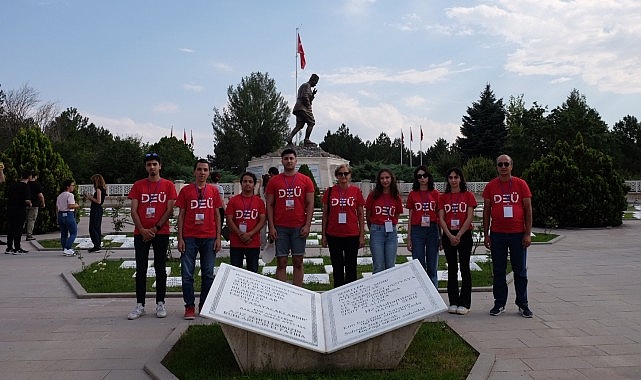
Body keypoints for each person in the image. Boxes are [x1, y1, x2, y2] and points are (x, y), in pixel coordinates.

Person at [127, 153, 177, 320]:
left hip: (160, 232)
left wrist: (155, 228)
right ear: (145, 167)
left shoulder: (168, 185)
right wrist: (142, 229)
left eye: (155, 164)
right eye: (149, 164)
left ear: (160, 166)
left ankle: (160, 303)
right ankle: (140, 305)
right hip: (140, 232)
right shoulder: (138, 185)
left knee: (160, 268)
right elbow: (133, 209)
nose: (152, 167)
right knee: (141, 269)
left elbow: (169, 209)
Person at [483, 154, 533, 318]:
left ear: (511, 166)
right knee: (498, 271)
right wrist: (486, 234)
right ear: (496, 167)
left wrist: (527, 233)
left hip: (517, 234)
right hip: (498, 234)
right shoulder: (491, 186)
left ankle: (523, 304)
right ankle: (499, 303)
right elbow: (486, 211)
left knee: (520, 271)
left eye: (506, 164)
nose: (503, 167)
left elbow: (528, 209)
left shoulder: (521, 184)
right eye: (500, 164)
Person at [176, 159, 222, 320]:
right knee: (187, 274)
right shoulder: (186, 191)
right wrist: (180, 237)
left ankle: (204, 305)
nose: (202, 172)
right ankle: (189, 306)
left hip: (209, 237)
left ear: (209, 172)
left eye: (205, 170)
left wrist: (218, 237)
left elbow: (217, 215)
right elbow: (181, 215)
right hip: (189, 237)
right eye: (199, 169)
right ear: (194, 171)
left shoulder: (214, 191)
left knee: (208, 274)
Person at [265, 148, 315, 286]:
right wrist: (272, 227)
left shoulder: (305, 180)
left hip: (299, 226)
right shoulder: (274, 181)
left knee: (298, 261)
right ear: (282, 161)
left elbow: (310, 204)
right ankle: (282, 294)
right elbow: (269, 205)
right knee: (281, 262)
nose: (289, 161)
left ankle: (298, 292)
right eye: (286, 159)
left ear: (296, 161)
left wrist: (307, 225)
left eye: (291, 158)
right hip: (280, 227)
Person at [438, 167, 477, 315]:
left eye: (456, 177)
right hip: (448, 235)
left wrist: (459, 235)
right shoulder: (443, 197)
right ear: (448, 180)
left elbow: (469, 217)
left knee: (465, 268)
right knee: (452, 268)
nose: (453, 180)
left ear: (460, 179)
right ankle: (453, 301)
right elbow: (441, 218)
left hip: (464, 234)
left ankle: (465, 303)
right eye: (450, 177)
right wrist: (449, 235)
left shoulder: (468, 195)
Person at [321, 164, 365, 287]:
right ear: (336, 176)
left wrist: (362, 235)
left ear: (350, 175)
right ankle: (337, 293)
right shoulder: (330, 192)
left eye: (346, 173)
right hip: (333, 234)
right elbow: (325, 214)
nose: (343, 176)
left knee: (351, 266)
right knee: (337, 266)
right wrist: (323, 235)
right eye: (340, 174)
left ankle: (350, 294)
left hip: (352, 234)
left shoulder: (356, 191)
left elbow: (361, 214)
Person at [406, 166, 441, 288]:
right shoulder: (412, 194)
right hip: (417, 230)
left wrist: (441, 236)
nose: (422, 178)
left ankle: (434, 296)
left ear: (429, 176)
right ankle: (422, 295)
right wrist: (409, 237)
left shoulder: (435, 193)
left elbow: (439, 216)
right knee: (419, 264)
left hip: (432, 229)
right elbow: (410, 217)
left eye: (424, 175)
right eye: (419, 176)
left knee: (432, 265)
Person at [365, 168, 403, 274]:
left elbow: (397, 213)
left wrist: (393, 221)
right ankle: (378, 290)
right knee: (378, 266)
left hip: (391, 233)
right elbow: (368, 214)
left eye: (387, 177)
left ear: (391, 179)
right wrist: (372, 228)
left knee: (390, 266)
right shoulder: (373, 195)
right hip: (377, 231)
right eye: (382, 178)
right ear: (379, 180)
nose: (385, 180)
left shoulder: (396, 196)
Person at [227, 172, 266, 273]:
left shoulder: (259, 202)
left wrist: (250, 234)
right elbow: (229, 219)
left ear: (254, 184)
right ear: (241, 183)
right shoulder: (233, 201)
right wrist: (240, 234)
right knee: (235, 271)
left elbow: (262, 220)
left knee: (253, 271)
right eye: (245, 181)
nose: (247, 184)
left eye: (250, 181)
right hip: (236, 242)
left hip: (253, 242)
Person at [288, 74, 319, 146]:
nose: (315, 84)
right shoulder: (306, 85)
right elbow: (304, 96)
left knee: (299, 125)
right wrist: (308, 106)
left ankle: (289, 137)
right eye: (315, 82)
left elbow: (307, 97)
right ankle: (306, 140)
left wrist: (312, 95)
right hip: (303, 108)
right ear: (313, 80)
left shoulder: (305, 86)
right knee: (311, 122)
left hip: (298, 108)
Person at [6, 170, 32, 255]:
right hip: (20, 209)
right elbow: (27, 200)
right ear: (29, 177)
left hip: (10, 209)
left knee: (11, 228)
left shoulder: (13, 185)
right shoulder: (25, 186)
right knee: (18, 228)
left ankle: (9, 247)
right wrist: (30, 204)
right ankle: (17, 247)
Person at [56, 179, 79, 257]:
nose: (73, 187)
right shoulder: (70, 195)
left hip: (60, 215)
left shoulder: (59, 195)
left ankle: (65, 249)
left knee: (64, 234)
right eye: (72, 185)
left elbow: (57, 207)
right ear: (67, 186)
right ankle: (67, 248)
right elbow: (70, 206)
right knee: (73, 233)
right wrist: (76, 205)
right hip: (68, 214)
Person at [84, 174, 107, 252]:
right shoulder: (103, 188)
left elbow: (98, 201)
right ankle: (98, 244)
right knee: (97, 227)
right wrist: (90, 198)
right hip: (98, 209)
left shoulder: (98, 189)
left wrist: (90, 197)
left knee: (93, 228)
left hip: (96, 209)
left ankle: (96, 245)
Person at [25, 171, 45, 241]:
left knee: (24, 219)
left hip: (25, 204)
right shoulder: (36, 184)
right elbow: (40, 195)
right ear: (35, 176)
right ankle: (29, 234)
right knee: (31, 220)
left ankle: (18, 232)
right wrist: (43, 203)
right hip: (34, 204)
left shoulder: (26, 183)